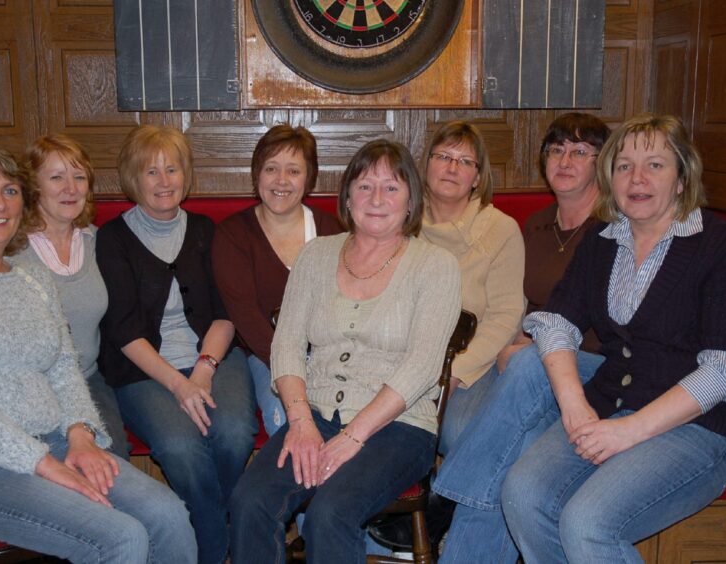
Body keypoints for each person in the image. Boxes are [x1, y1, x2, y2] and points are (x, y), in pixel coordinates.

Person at [500, 113, 726, 562]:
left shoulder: (721, 246)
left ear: (682, 178)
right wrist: (576, 407)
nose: (637, 178)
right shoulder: (604, 238)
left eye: (655, 165)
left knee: (589, 523)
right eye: (624, 166)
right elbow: (557, 322)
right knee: (522, 494)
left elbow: (723, 370)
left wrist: (629, 432)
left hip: (700, 424)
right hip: (611, 405)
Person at [0, 144, 196, 563]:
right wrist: (42, 463)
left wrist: (80, 434)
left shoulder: (32, 279)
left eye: (10, 191)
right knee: (121, 537)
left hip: (52, 441)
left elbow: (64, 366)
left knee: (168, 515)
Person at [229, 139, 462, 563]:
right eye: (365, 185)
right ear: (348, 195)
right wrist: (300, 422)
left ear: (410, 199)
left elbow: (424, 366)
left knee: (329, 513)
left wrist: (353, 436)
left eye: (391, 188)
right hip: (314, 416)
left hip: (400, 427)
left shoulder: (435, 265)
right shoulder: (316, 255)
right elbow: (287, 343)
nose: (376, 199)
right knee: (250, 502)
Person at [433, 112, 611, 563]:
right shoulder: (536, 225)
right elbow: (515, 304)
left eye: (579, 152)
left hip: (588, 373)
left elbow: (611, 322)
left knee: (523, 378)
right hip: (527, 372)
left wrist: (535, 347)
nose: (564, 160)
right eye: (555, 149)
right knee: (513, 462)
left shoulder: (614, 230)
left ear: (602, 164)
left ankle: (442, 498)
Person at [96, 125, 256, 564]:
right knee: (182, 448)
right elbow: (124, 330)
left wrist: (203, 370)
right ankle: (219, 544)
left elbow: (226, 312)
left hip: (215, 355)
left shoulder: (206, 230)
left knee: (234, 433)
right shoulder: (112, 239)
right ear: (133, 177)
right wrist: (180, 385)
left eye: (172, 169)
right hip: (143, 369)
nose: (164, 181)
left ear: (186, 175)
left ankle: (207, 536)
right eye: (151, 171)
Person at [368, 120, 525, 550]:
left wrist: (455, 371)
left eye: (464, 161)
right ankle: (378, 509)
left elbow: (508, 313)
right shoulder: (402, 223)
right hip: (405, 353)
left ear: (478, 176)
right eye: (443, 157)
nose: (452, 168)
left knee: (455, 429)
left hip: (472, 361)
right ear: (426, 166)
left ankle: (441, 508)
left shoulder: (499, 229)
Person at [212, 124, 341, 437]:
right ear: (257, 174)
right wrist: (296, 372)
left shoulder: (330, 230)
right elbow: (249, 321)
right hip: (265, 356)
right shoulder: (233, 235)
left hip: (328, 354)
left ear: (309, 178)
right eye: (271, 168)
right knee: (288, 427)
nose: (281, 181)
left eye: (293, 171)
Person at [12, 134, 129, 459]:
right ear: (33, 186)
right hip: (31, 386)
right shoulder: (11, 251)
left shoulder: (99, 242)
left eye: (79, 177)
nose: (71, 188)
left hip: (90, 379)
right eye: (56, 177)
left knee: (114, 455)